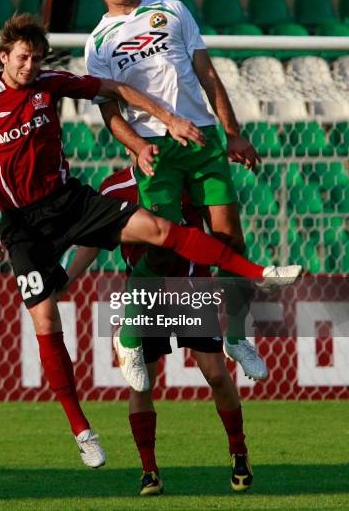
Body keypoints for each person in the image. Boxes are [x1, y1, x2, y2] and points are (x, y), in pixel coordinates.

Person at [0, 13, 300, 470]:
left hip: (76, 205)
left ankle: (256, 283)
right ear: (5, 56)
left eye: (38, 58)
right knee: (49, 322)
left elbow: (113, 91)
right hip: (24, 225)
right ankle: (88, 433)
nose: (31, 66)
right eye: (23, 58)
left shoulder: (51, 84)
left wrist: (169, 117)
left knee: (168, 246)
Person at [84, 0, 271, 380]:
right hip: (155, 147)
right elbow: (111, 114)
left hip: (202, 139)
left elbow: (207, 73)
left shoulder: (172, 10)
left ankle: (237, 336)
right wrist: (138, 146)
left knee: (230, 241)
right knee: (163, 250)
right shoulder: (98, 43)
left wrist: (233, 131)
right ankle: (128, 335)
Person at [60, 165, 254, 495]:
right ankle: (149, 470)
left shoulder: (184, 177)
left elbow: (216, 228)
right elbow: (91, 242)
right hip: (145, 296)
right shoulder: (113, 188)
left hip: (191, 285)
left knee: (216, 373)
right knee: (142, 382)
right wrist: (66, 281)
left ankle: (239, 452)